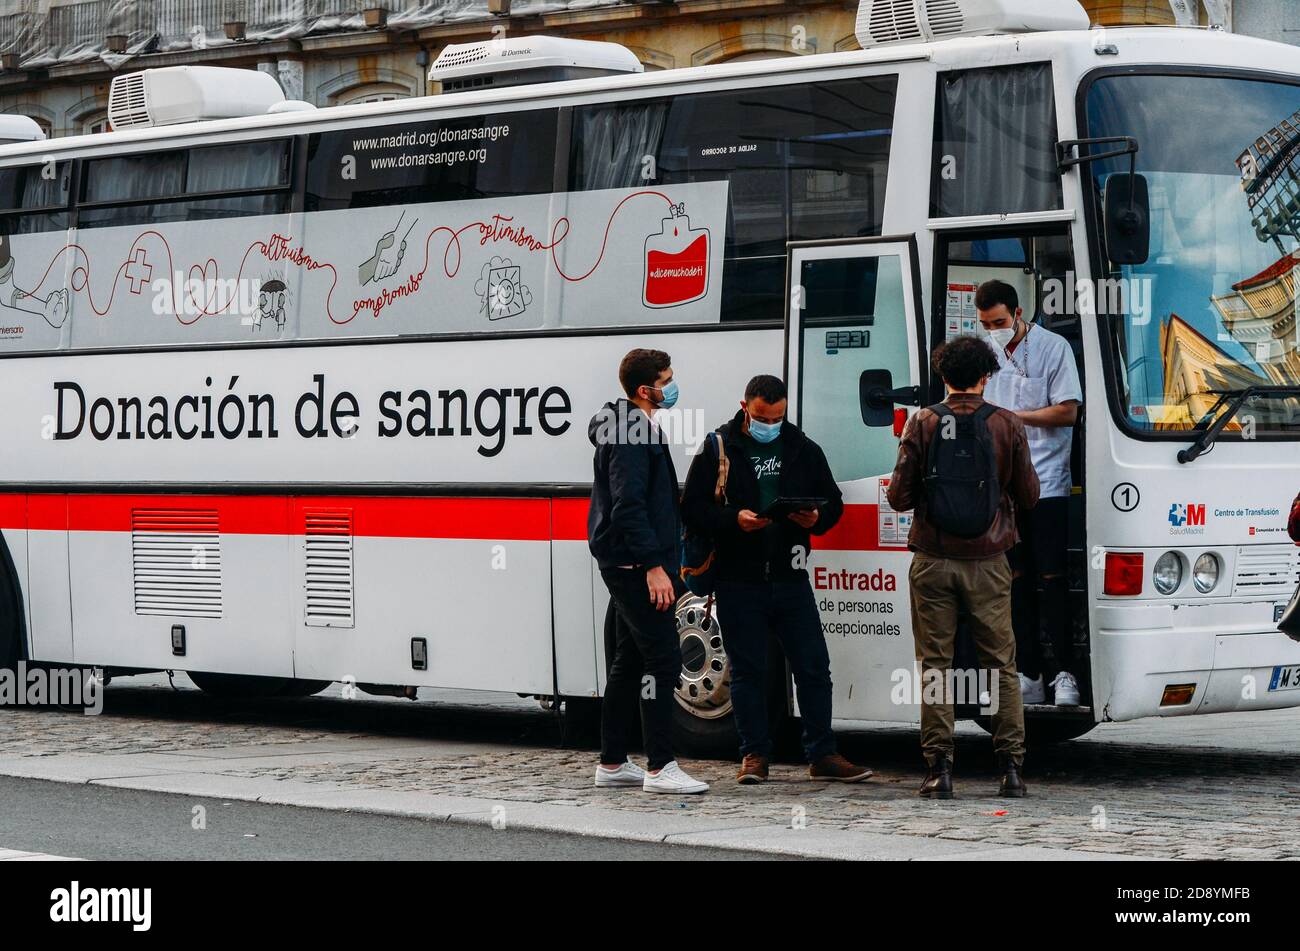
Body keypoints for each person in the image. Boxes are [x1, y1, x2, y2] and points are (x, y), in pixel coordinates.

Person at [682, 374, 872, 785]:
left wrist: (818, 518)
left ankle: (822, 753)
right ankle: (753, 755)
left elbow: (833, 501)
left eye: (780, 416)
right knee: (749, 671)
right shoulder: (719, 447)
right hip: (738, 578)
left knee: (814, 667)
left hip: (791, 575)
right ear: (745, 407)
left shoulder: (801, 447)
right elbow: (692, 509)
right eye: (764, 417)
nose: (772, 424)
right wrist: (734, 519)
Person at [887, 335, 1039, 799]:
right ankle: (1011, 769)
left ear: (944, 376)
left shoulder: (923, 422)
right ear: (986, 376)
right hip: (990, 562)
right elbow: (1030, 495)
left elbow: (899, 497)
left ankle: (940, 770)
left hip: (933, 561)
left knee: (936, 665)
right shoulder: (1007, 424)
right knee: (1002, 665)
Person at [587, 348, 708, 795]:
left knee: (629, 660)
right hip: (635, 563)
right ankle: (660, 765)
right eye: (667, 379)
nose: (672, 386)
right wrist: (654, 566)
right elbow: (628, 504)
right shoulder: (632, 431)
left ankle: (613, 762)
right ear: (646, 389)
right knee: (663, 658)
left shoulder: (629, 425)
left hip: (627, 559)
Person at [976, 280, 1083, 707]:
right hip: (1001, 486)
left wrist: (1012, 418)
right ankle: (1029, 671)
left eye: (999, 321)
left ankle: (1064, 673)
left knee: (1052, 579)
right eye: (985, 323)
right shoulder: (983, 352)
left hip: (1046, 482)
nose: (993, 330)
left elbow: (1068, 410)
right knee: (1014, 581)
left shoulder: (1053, 348)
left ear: (1019, 314)